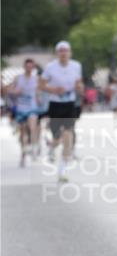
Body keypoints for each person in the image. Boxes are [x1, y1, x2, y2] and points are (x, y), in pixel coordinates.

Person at [40, 41, 83, 182]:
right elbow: (41, 85)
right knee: (57, 137)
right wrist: (54, 90)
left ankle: (63, 169)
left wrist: (80, 87)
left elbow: (78, 82)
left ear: (70, 52)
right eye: (61, 51)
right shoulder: (50, 67)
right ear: (57, 53)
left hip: (69, 103)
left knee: (68, 135)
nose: (64, 53)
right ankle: (52, 147)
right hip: (55, 104)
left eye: (66, 50)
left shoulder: (76, 66)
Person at [9, 57, 41, 165]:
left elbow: (38, 92)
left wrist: (39, 99)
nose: (29, 68)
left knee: (32, 128)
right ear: (24, 66)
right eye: (27, 66)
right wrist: (15, 91)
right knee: (22, 133)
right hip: (21, 108)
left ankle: (33, 148)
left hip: (32, 107)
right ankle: (23, 154)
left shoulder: (36, 79)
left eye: (31, 66)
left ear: (33, 67)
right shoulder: (18, 78)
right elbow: (10, 90)